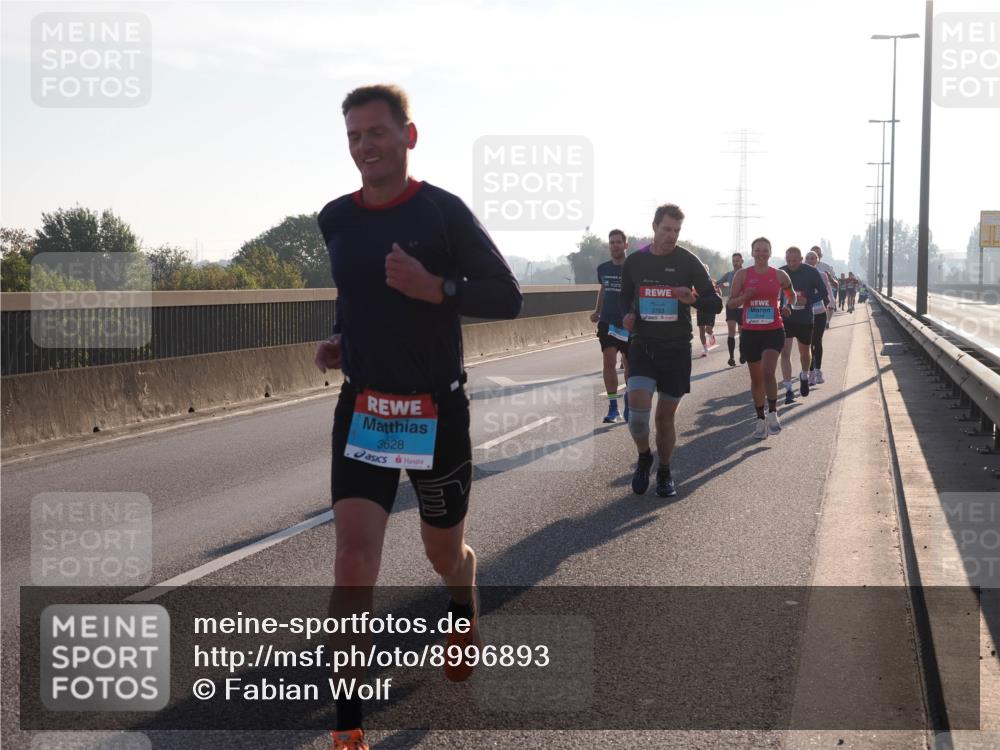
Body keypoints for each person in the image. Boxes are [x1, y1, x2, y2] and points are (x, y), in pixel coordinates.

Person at [314, 84, 522, 750]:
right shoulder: (336, 218)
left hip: (437, 411)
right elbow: (353, 292)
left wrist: (436, 288)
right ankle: (349, 726)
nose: (364, 147)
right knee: (352, 561)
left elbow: (507, 296)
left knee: (442, 553)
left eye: (376, 133)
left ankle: (462, 603)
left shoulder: (443, 213)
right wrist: (342, 335)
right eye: (353, 136)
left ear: (409, 135)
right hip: (365, 409)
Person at [620, 203, 723, 497]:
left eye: (676, 231)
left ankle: (664, 470)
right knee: (638, 415)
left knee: (664, 417)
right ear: (654, 227)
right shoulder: (635, 262)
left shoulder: (688, 262)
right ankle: (644, 456)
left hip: (676, 349)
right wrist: (627, 314)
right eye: (666, 229)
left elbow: (715, 303)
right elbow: (624, 297)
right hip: (643, 345)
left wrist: (692, 300)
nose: (671, 236)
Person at [727, 237, 795, 439]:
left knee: (767, 372)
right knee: (756, 378)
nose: (761, 253)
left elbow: (792, 295)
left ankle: (773, 413)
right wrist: (743, 298)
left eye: (765, 250)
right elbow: (730, 304)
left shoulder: (779, 275)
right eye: (758, 250)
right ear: (752, 252)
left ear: (770, 252)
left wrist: (787, 306)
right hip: (750, 331)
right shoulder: (742, 275)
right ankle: (760, 418)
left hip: (773, 329)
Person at [779, 246, 828, 404]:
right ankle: (788, 390)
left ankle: (805, 376)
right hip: (786, 318)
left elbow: (823, 292)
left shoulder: (811, 272)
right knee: (785, 353)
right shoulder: (780, 272)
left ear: (801, 259)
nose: (791, 264)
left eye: (795, 261)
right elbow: (773, 294)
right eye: (788, 261)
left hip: (805, 318)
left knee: (805, 352)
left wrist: (808, 300)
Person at [591, 229, 631, 422]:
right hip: (608, 321)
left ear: (625, 245)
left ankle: (630, 400)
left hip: (629, 323)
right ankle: (613, 407)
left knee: (629, 363)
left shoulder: (634, 267)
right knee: (608, 361)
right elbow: (603, 289)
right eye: (611, 242)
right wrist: (597, 311)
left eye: (618, 242)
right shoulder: (603, 268)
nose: (614, 245)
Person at [804, 250, 832, 385]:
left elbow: (827, 292)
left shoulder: (822, 275)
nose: (810, 260)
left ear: (817, 260)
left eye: (813, 258)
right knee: (808, 343)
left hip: (820, 312)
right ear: (805, 260)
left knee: (817, 341)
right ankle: (810, 373)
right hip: (805, 313)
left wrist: (831, 304)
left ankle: (818, 370)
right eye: (808, 258)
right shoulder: (800, 276)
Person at [716, 252, 745, 366]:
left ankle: (743, 354)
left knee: (742, 331)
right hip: (731, 306)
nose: (735, 263)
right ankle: (731, 357)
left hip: (743, 306)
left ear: (742, 261)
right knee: (731, 331)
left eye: (737, 261)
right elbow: (717, 283)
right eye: (733, 261)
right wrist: (720, 285)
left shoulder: (746, 273)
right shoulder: (729, 274)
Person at [810, 245, 838, 329]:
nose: (815, 256)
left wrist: (830, 278)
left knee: (831, 302)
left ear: (820, 256)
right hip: (810, 291)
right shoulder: (803, 266)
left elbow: (835, 283)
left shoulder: (826, 267)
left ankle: (827, 321)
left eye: (817, 254)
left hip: (825, 291)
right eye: (813, 254)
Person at [696, 262, 720, 357]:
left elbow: (719, 293)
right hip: (701, 308)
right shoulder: (696, 283)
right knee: (701, 329)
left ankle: (711, 334)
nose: (703, 271)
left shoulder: (712, 282)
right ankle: (705, 349)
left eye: (705, 269)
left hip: (710, 309)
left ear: (708, 271)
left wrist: (717, 292)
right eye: (702, 269)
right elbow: (693, 293)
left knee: (708, 329)